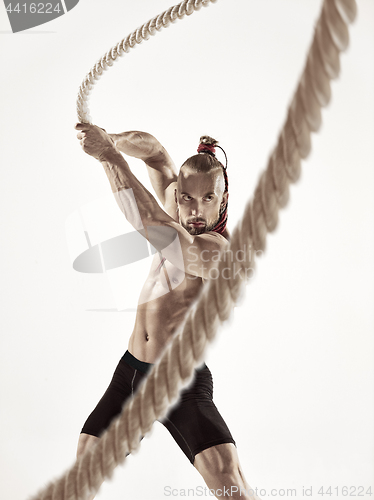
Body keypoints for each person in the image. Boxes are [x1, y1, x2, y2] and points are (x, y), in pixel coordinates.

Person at [75, 123, 259, 500]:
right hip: (131, 370)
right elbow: (155, 152)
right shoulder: (181, 203)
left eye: (209, 198)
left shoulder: (216, 250)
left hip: (179, 381)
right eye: (187, 198)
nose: (196, 209)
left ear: (222, 200)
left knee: (229, 485)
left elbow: (153, 226)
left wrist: (109, 157)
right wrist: (115, 141)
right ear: (178, 194)